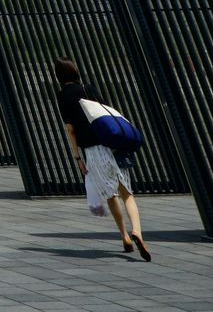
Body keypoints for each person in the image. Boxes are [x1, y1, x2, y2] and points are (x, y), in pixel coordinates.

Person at [51, 60, 151, 263]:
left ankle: (124, 236)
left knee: (111, 194)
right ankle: (137, 231)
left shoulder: (63, 96)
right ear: (76, 72)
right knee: (127, 192)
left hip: (93, 150)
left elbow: (70, 129)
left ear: (58, 76)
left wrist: (77, 157)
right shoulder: (89, 89)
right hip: (112, 144)